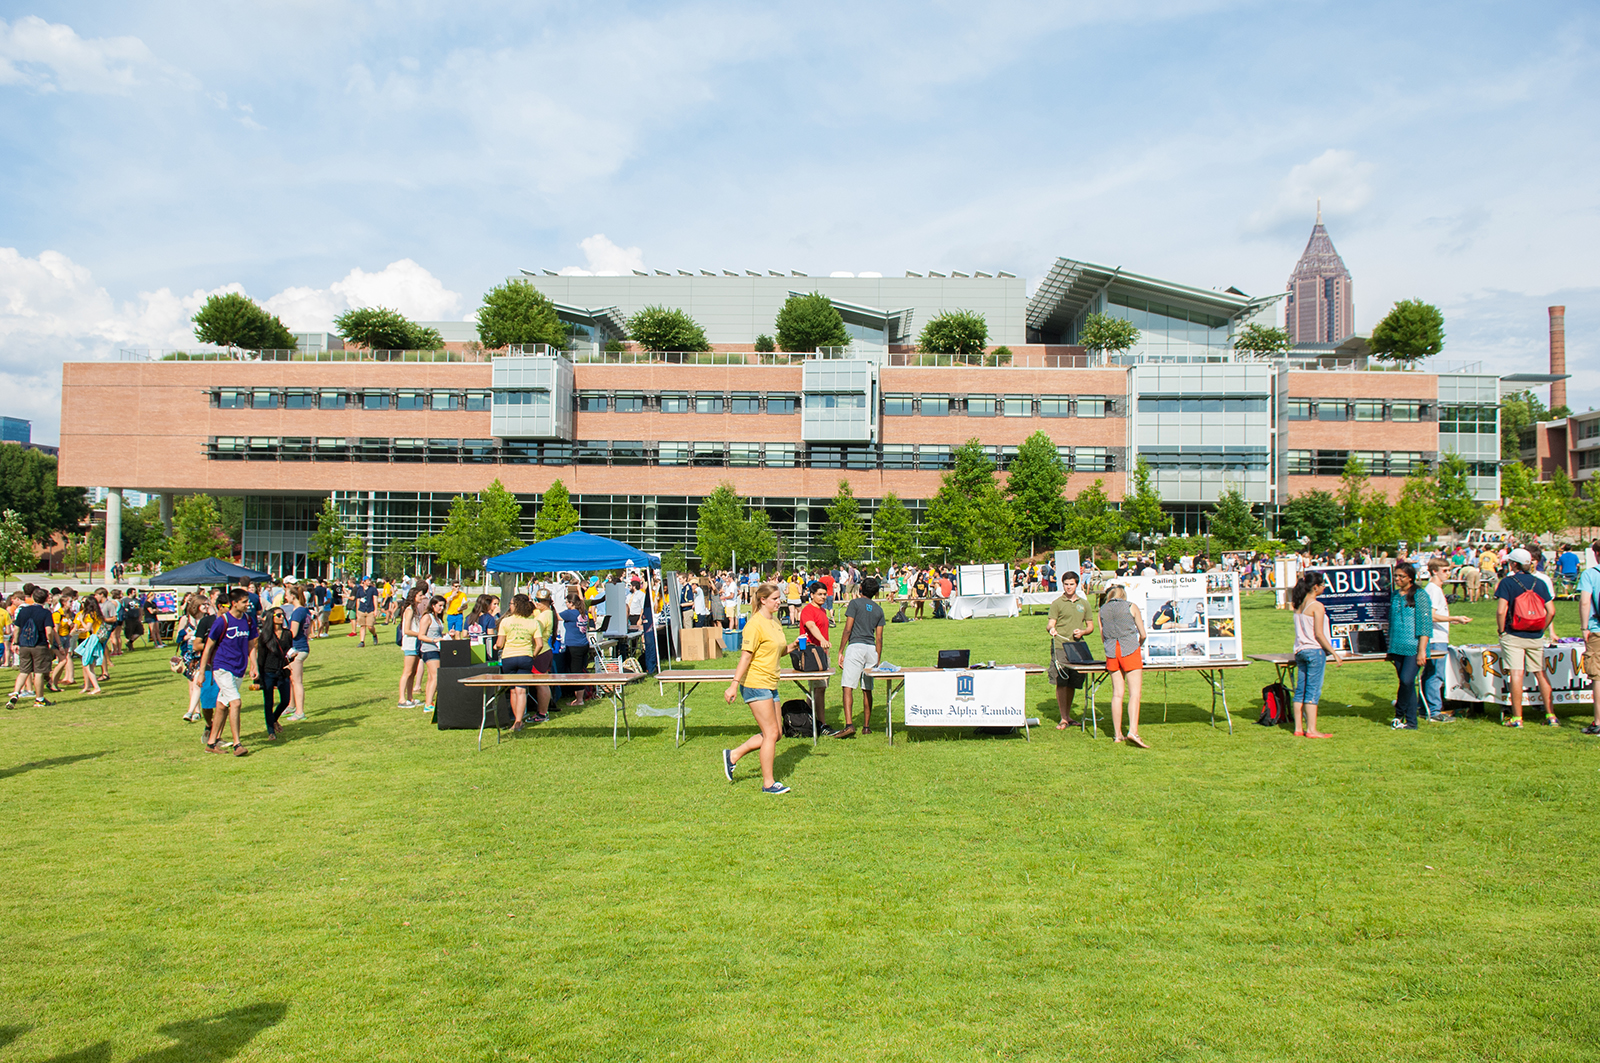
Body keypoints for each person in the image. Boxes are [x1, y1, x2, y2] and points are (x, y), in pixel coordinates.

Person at [722, 583, 799, 793]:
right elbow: (746, 656)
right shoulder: (754, 624)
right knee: (771, 732)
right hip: (755, 683)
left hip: (771, 682)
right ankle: (768, 784)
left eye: (779, 598)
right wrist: (733, 685)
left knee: (777, 733)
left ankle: (733, 755)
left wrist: (793, 645)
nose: (779, 602)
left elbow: (777, 651)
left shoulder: (774, 621)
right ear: (763, 599)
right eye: (774, 598)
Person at [1496, 547, 1556, 727]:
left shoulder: (1507, 582)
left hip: (1513, 633)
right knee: (1540, 673)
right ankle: (1551, 715)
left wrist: (1501, 631)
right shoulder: (1540, 582)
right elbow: (1551, 611)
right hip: (1535, 634)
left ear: (1514, 564)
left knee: (1516, 674)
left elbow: (1501, 610)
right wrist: (1542, 629)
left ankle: (1517, 718)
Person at [200, 589, 258, 757]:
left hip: (239, 668)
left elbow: (251, 644)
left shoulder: (248, 620)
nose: (248, 604)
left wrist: (254, 665)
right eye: (244, 601)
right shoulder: (222, 621)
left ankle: (211, 743)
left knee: (222, 705)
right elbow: (208, 646)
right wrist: (202, 672)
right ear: (235, 603)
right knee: (236, 702)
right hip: (222, 667)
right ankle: (237, 744)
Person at [1289, 572, 1341, 737]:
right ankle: (1311, 729)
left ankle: (1298, 728)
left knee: (1300, 690)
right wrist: (1334, 653)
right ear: (1315, 587)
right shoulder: (1317, 606)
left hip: (1300, 651)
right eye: (1323, 585)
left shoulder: (1298, 606)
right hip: (1314, 651)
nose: (1324, 587)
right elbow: (1319, 634)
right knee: (1312, 691)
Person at [1422, 558, 1473, 722]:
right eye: (1445, 571)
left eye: (1449, 570)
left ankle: (1424, 708)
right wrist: (1454, 617)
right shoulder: (1434, 590)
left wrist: (1451, 619)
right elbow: (1431, 615)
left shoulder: (1433, 589)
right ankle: (1434, 711)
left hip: (1435, 637)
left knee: (1430, 674)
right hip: (1436, 638)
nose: (1448, 574)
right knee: (1436, 675)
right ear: (1434, 571)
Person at [1097, 584, 1147, 747]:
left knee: (1117, 694)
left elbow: (1103, 635)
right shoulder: (1131, 607)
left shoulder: (1102, 610)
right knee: (1135, 693)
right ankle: (1133, 731)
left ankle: (1117, 734)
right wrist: (1138, 644)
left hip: (1112, 651)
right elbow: (1143, 633)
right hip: (1129, 649)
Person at [837, 575, 885, 738]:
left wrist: (841, 650)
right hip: (871, 649)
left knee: (848, 686)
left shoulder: (855, 603)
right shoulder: (879, 609)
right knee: (867, 688)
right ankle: (866, 726)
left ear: (861, 589)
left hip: (856, 646)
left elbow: (848, 629)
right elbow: (879, 637)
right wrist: (878, 658)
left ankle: (849, 724)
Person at [1386, 562, 1432, 731]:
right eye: (1396, 576)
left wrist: (1421, 651)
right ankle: (1411, 721)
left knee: (1406, 680)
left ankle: (1399, 713)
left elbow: (1425, 624)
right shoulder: (1395, 595)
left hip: (1414, 646)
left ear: (1410, 578)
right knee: (1406, 683)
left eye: (1401, 576)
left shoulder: (1420, 595)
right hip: (1397, 645)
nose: (1397, 579)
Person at [1046, 571, 1094, 729]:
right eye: (1066, 584)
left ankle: (1068, 715)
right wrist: (1051, 629)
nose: (1068, 587)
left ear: (1077, 584)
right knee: (1061, 681)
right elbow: (1050, 623)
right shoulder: (1057, 603)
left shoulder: (1084, 603)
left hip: (1077, 647)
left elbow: (1090, 626)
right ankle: (1063, 717)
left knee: (1073, 682)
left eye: (1071, 584)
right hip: (1060, 645)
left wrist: (1083, 632)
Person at [495, 594, 541, 731]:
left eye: (511, 604)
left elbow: (499, 643)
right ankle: (519, 721)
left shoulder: (506, 621)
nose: (509, 606)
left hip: (508, 657)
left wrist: (497, 647)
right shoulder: (533, 622)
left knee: (513, 691)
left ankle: (515, 720)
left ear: (516, 606)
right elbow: (539, 644)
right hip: (525, 656)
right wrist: (532, 655)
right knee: (521, 691)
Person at [7, 588, 57, 709]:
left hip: (24, 644)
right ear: (45, 599)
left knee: (24, 671)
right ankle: (39, 699)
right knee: (39, 672)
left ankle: (15, 693)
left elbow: (17, 628)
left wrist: (15, 642)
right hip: (39, 644)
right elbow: (49, 631)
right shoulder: (45, 613)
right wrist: (50, 642)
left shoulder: (23, 611)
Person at [798, 581, 834, 734]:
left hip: (823, 653)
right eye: (819, 594)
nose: (823, 597)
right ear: (811, 595)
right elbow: (811, 626)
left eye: (825, 594)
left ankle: (809, 719)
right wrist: (822, 640)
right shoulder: (807, 610)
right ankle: (822, 724)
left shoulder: (823, 611)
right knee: (819, 689)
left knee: (817, 689)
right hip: (812, 655)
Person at [258, 608, 293, 740]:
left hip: (282, 670)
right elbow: (260, 658)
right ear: (271, 617)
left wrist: (291, 657)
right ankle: (271, 731)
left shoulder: (287, 634)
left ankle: (273, 719)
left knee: (285, 700)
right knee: (268, 701)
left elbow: (288, 652)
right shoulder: (265, 636)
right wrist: (259, 678)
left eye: (282, 615)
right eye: (278, 615)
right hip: (268, 671)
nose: (281, 617)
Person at [1578, 542, 1600, 736]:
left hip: (1597, 629)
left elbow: (1585, 601)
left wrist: (1584, 627)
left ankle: (1599, 722)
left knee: (1598, 676)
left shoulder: (1591, 574)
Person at [397, 583, 428, 709]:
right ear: (414, 596)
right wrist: (420, 634)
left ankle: (410, 697)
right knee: (407, 671)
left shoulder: (415, 610)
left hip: (416, 644)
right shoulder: (409, 610)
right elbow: (407, 630)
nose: (422, 598)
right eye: (420, 596)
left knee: (413, 672)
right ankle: (401, 698)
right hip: (410, 643)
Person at [556, 589, 589, 707]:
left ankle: (579, 699)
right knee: (581, 670)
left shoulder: (569, 613)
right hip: (583, 644)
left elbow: (556, 616)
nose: (566, 604)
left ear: (571, 603)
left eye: (567, 602)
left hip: (574, 646)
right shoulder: (583, 612)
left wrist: (551, 605)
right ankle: (581, 696)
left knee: (576, 673)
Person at [417, 594, 447, 715]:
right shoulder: (427, 617)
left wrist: (445, 635)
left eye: (443, 606)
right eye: (439, 606)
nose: (441, 608)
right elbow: (421, 635)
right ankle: (428, 704)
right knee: (436, 675)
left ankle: (429, 702)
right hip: (429, 649)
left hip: (438, 649)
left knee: (431, 677)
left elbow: (437, 634)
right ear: (433, 605)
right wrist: (434, 640)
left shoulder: (437, 618)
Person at [354, 576, 378, 647]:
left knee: (370, 626)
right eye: (367, 581)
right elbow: (358, 600)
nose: (369, 582)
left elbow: (375, 599)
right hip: (361, 609)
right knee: (362, 626)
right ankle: (362, 641)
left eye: (369, 580)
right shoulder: (359, 590)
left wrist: (376, 609)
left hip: (370, 609)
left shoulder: (373, 589)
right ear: (363, 582)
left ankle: (374, 635)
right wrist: (357, 611)